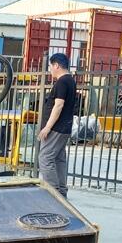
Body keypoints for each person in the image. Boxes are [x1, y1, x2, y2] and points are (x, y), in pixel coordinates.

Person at [38, 52, 76, 198]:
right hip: (64, 128)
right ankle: (61, 192)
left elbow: (58, 105)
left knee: (45, 158)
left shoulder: (62, 82)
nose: (50, 70)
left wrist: (47, 127)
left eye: (50, 67)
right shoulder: (70, 81)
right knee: (59, 159)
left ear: (56, 65)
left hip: (56, 128)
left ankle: (53, 195)